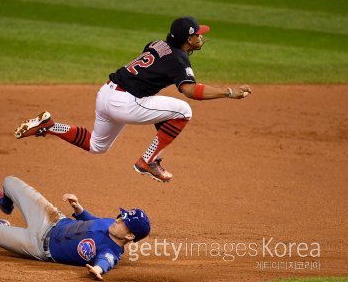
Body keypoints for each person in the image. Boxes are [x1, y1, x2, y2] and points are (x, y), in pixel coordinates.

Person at [14, 16, 252, 182]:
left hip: (106, 93)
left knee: (97, 146)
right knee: (184, 110)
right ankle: (148, 160)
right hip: (126, 103)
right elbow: (190, 91)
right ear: (187, 39)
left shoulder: (156, 43)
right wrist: (229, 93)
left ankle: (51, 126)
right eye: (197, 35)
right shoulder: (179, 60)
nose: (201, 38)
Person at [0, 176, 150, 281]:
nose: (117, 220)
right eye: (121, 217)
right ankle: (5, 203)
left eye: (123, 223)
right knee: (9, 181)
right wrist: (78, 208)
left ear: (130, 235)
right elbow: (92, 220)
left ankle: (0, 225)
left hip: (37, 246)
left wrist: (98, 270)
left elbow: (105, 262)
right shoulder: (111, 223)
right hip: (52, 219)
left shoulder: (110, 251)